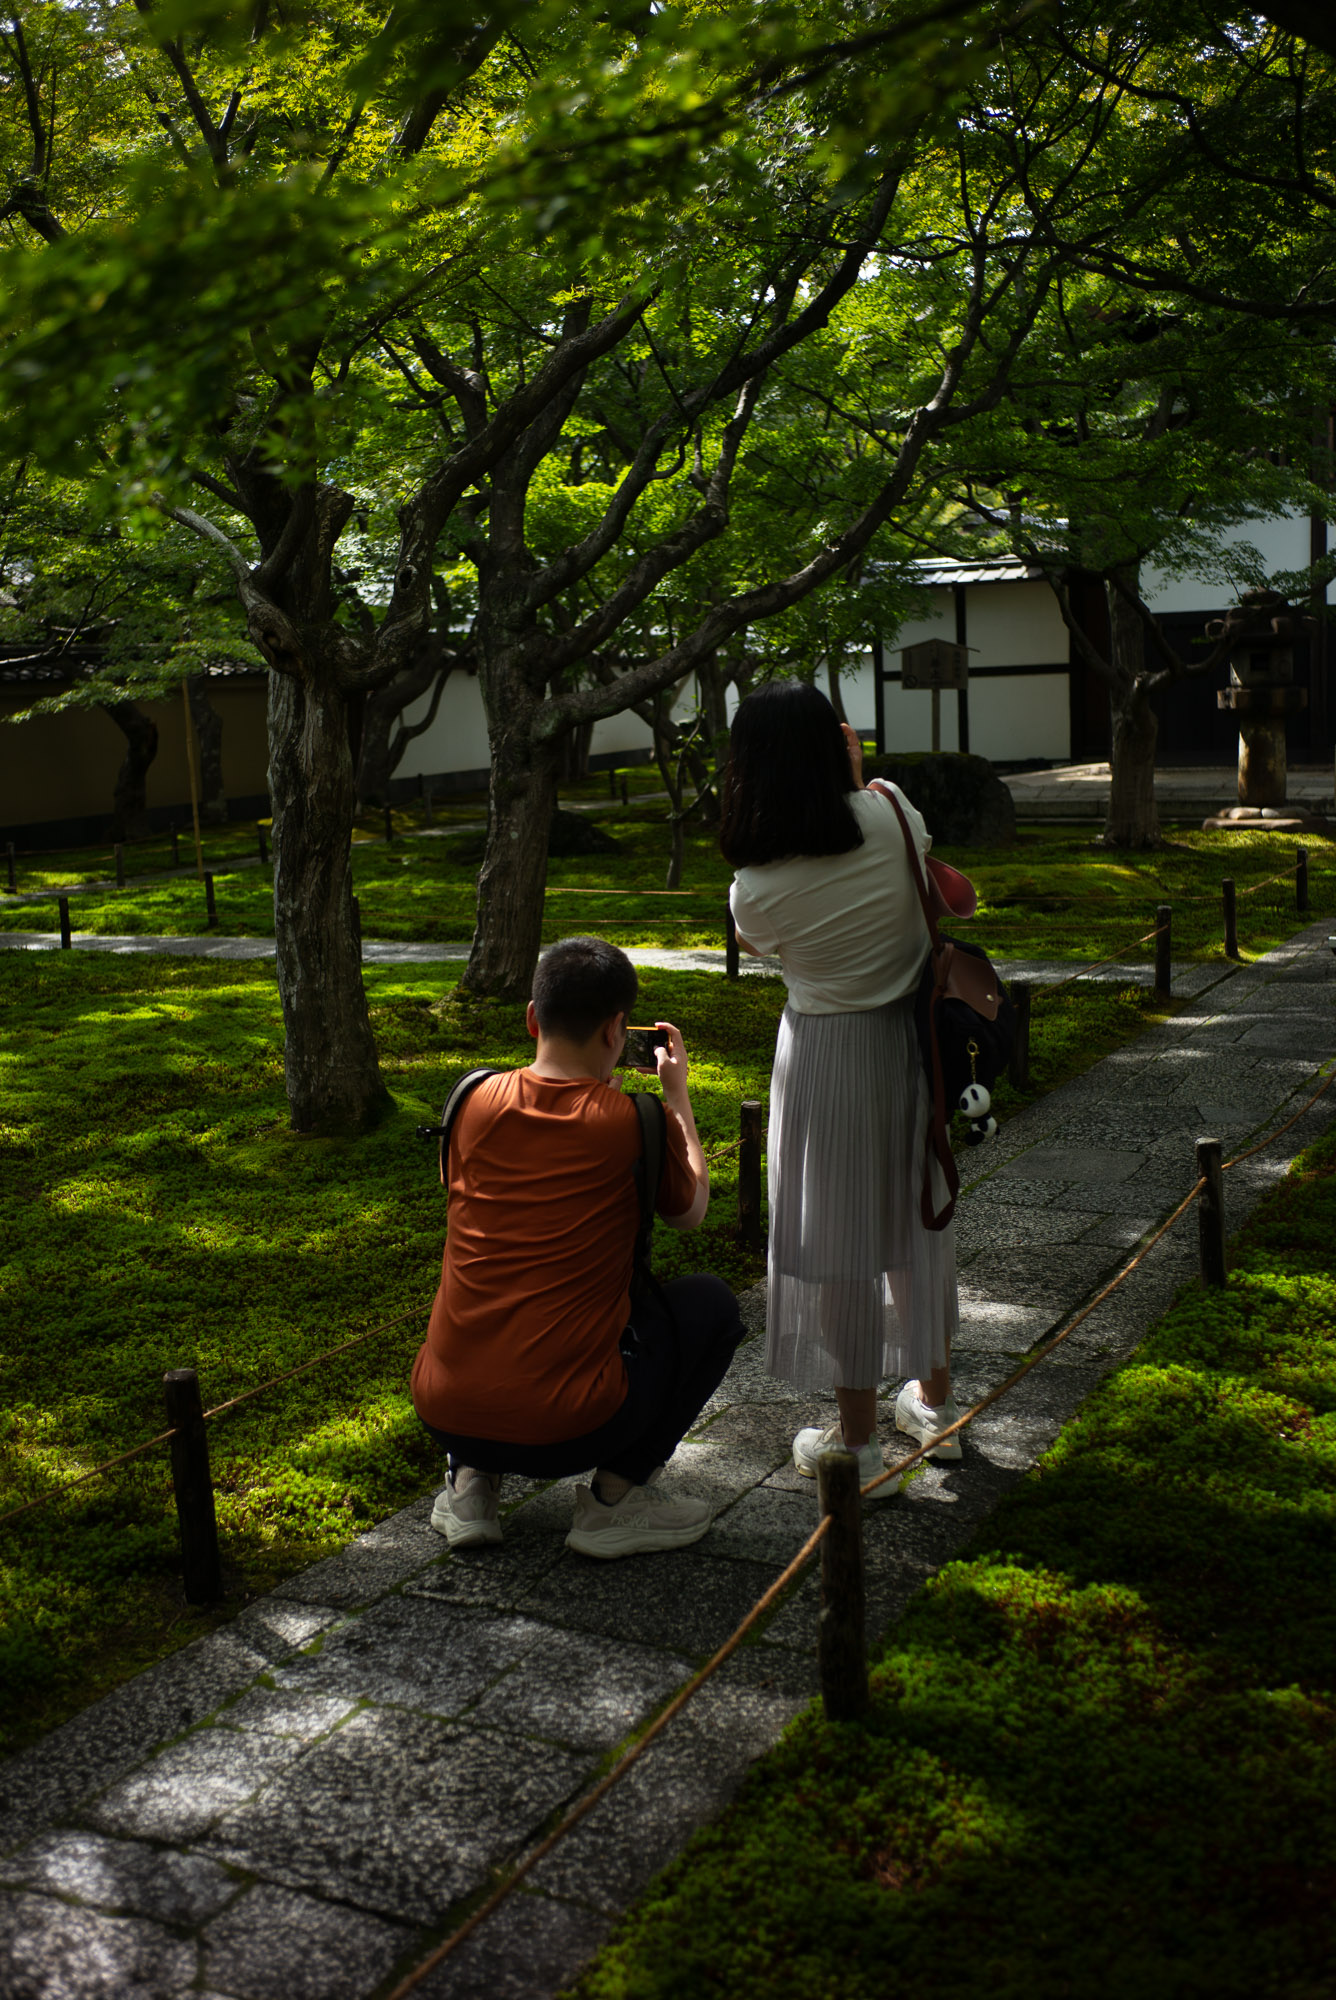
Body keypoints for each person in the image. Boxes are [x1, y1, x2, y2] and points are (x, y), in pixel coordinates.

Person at [411, 935, 743, 1557]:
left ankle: (469, 1487)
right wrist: (676, 1097)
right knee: (712, 1306)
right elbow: (691, 1212)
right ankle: (614, 1502)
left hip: (444, 1409)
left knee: (492, 1291)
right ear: (619, 1028)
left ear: (532, 1017)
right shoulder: (629, 1120)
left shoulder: (472, 1098)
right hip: (570, 1429)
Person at [721, 681, 961, 1487]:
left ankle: (857, 1444)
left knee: (839, 1244)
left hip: (822, 1057)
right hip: (907, 1044)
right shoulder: (893, 811)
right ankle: (933, 1401)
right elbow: (912, 865)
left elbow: (766, 952)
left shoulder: (753, 886)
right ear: (837, 742)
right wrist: (857, 777)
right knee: (913, 1219)